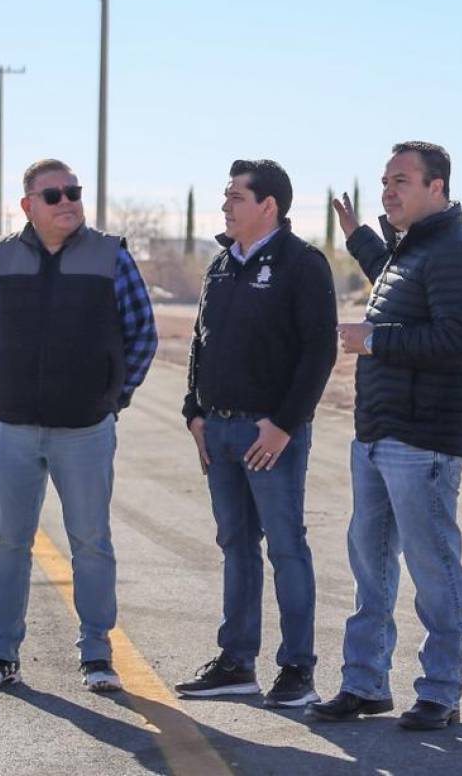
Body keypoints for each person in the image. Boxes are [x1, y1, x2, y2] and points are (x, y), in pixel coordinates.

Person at [308, 141, 462, 731]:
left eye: (402, 181)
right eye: (386, 180)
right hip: (378, 434)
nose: (389, 190)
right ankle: (364, 685)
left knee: (433, 568)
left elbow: (456, 340)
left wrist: (376, 339)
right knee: (372, 569)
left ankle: (440, 690)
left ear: (437, 187)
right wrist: (358, 234)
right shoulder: (410, 250)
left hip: (424, 440)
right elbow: (392, 279)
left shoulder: (458, 253)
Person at [0, 159, 158, 694]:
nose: (68, 201)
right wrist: (4, 382)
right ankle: (1, 656)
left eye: (73, 191)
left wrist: (111, 397)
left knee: (91, 543)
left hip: (86, 429)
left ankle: (98, 656)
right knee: (9, 544)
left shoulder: (110, 254)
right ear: (28, 205)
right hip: (14, 428)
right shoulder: (2, 256)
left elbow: (143, 332)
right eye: (54, 195)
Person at [173, 160, 338, 708]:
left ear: (269, 205)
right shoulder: (220, 265)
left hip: (269, 437)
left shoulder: (302, 263)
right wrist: (194, 412)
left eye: (236, 196)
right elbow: (201, 342)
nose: (226, 205)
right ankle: (235, 664)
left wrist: (285, 425)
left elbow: (320, 350)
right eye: (225, 195)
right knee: (235, 546)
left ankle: (297, 671)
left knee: (286, 549)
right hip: (216, 432)